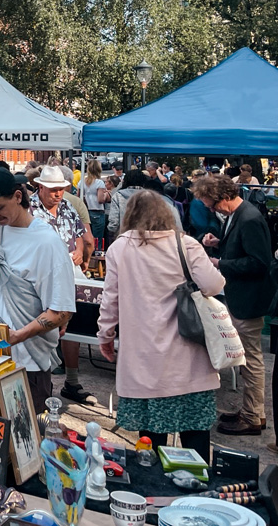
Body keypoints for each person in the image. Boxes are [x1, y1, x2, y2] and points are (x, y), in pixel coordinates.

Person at [97, 190, 224, 459]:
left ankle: (155, 493)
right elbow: (214, 285)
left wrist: (105, 336)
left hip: (144, 359)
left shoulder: (120, 247)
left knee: (150, 441)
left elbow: (110, 301)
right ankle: (196, 493)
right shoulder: (186, 245)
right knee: (195, 433)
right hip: (189, 357)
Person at [0, 167, 76, 412]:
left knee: (24, 442)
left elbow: (62, 312)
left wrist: (16, 336)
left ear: (17, 196)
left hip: (28, 365)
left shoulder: (47, 243)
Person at [194, 172, 276, 435]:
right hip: (242, 296)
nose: (209, 208)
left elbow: (259, 262)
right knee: (246, 358)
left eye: (210, 203)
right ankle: (252, 411)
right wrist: (219, 245)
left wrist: (220, 263)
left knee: (250, 360)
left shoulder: (249, 218)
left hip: (250, 300)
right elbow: (243, 251)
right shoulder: (237, 216)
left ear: (223, 197)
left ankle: (253, 416)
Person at [29, 165, 95, 405]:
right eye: (54, 190)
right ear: (41, 187)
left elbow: (80, 234)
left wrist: (79, 251)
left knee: (72, 319)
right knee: (47, 323)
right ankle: (42, 382)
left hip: (69, 269)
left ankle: (71, 379)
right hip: (43, 273)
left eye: (61, 189)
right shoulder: (30, 208)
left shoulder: (67, 205)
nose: (58, 194)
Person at [80, 159, 109, 247]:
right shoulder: (99, 183)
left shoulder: (82, 182)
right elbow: (100, 200)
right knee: (97, 239)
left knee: (86, 237)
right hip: (98, 211)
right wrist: (106, 194)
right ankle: (96, 257)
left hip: (85, 212)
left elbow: (79, 198)